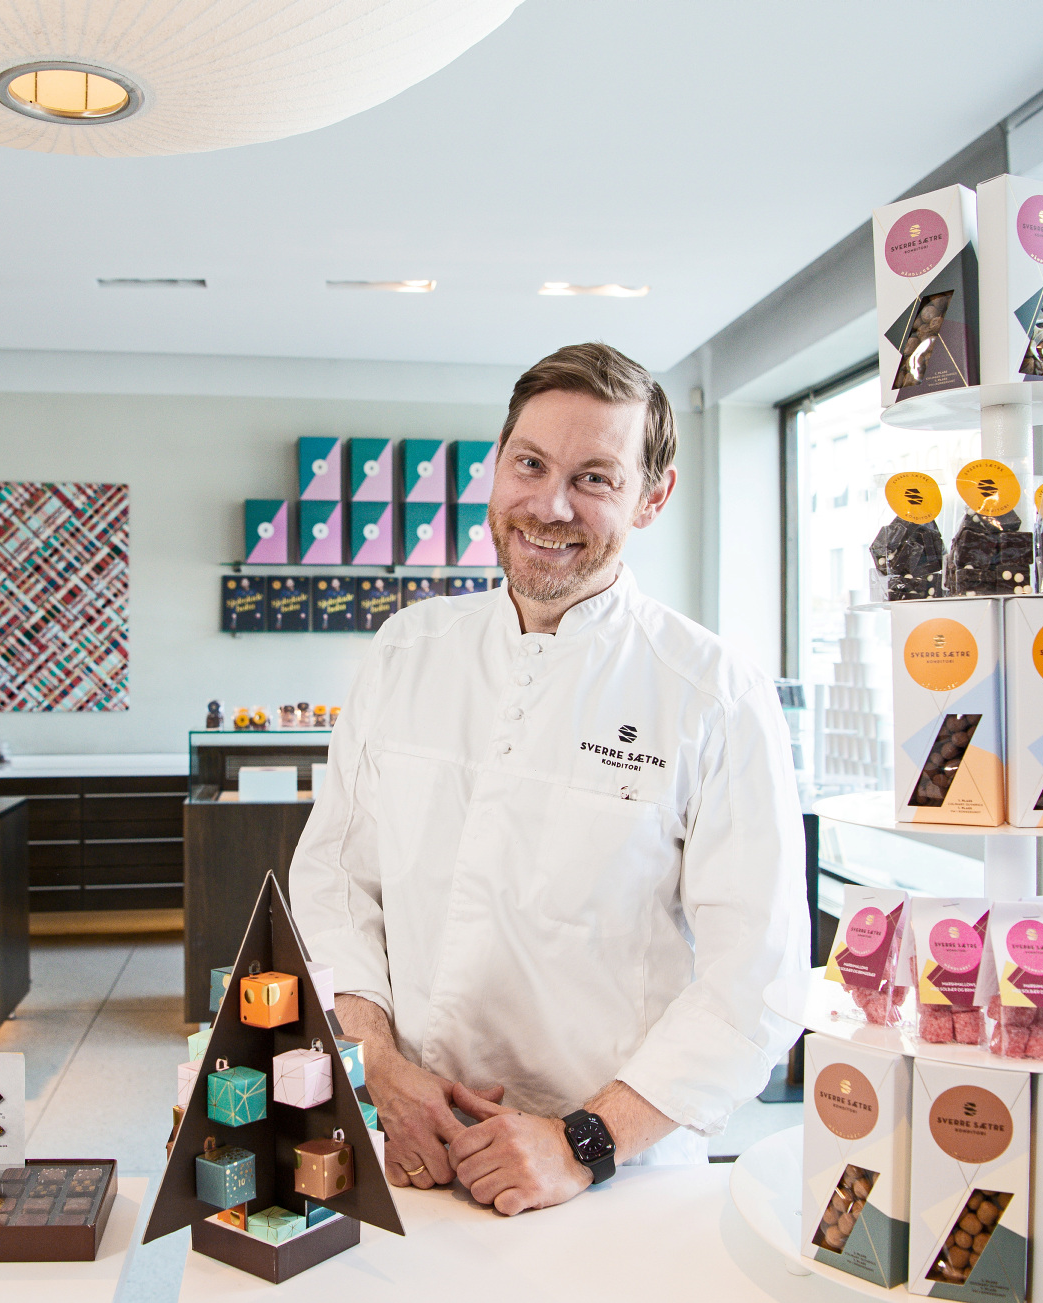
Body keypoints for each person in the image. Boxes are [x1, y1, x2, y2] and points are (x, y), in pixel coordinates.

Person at [289, 341, 808, 1217]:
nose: (549, 505)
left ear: (653, 496)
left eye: (594, 478)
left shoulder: (712, 692)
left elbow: (758, 977)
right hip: (408, 1148)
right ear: (497, 464)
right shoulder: (408, 650)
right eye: (529, 464)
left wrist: (583, 1142)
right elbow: (336, 878)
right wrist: (377, 1064)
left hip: (612, 1181)